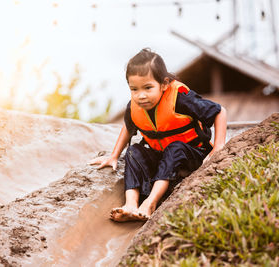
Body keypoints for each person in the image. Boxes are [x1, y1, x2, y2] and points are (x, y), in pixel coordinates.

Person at [89, 48, 227, 222]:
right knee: (134, 151)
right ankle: (131, 204)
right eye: (134, 89)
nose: (141, 95)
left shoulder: (180, 99)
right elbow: (128, 126)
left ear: (164, 84)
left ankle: (150, 203)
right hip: (162, 158)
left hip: (192, 155)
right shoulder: (134, 107)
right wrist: (114, 156)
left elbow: (219, 111)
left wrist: (219, 146)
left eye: (148, 87)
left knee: (174, 148)